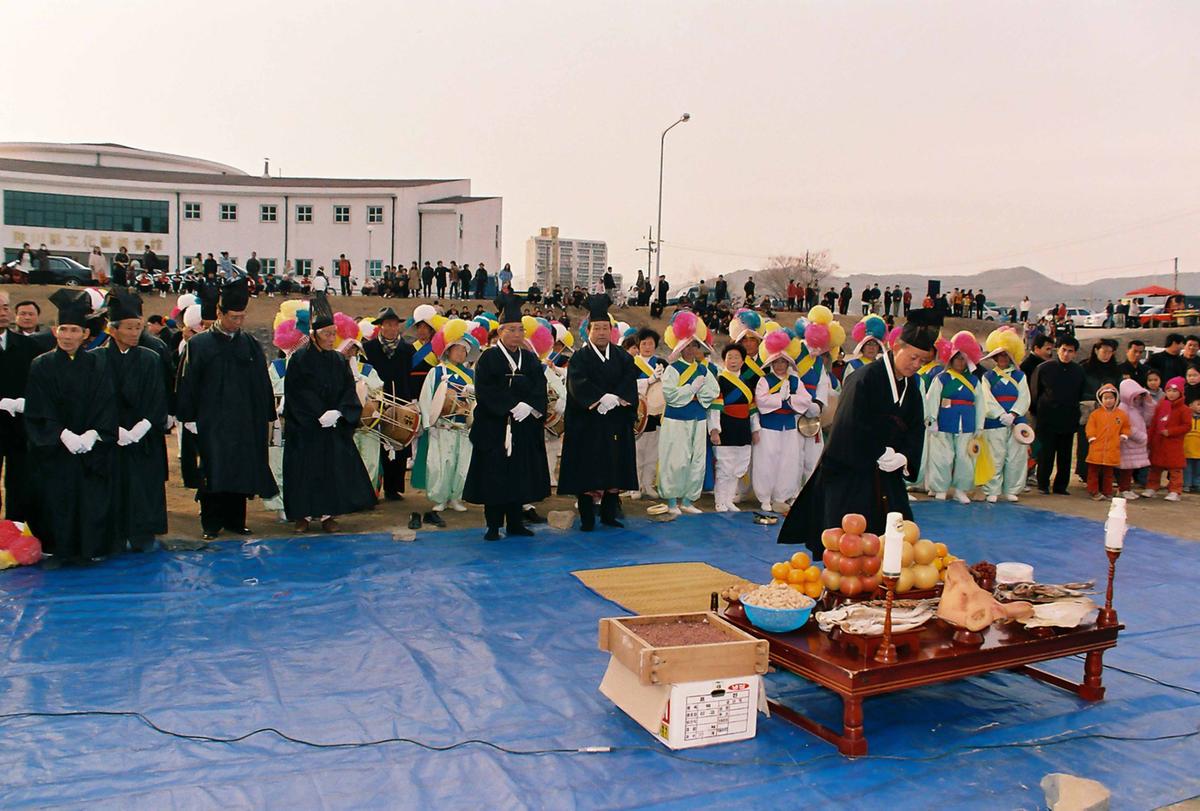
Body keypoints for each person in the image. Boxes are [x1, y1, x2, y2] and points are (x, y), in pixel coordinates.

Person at [778, 309, 941, 556]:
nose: (916, 365)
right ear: (897, 347)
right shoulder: (864, 378)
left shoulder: (912, 387)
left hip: (888, 471)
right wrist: (877, 451)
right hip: (851, 469)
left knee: (896, 539)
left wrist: (904, 457)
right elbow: (849, 424)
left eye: (923, 361)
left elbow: (916, 428)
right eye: (913, 357)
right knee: (848, 542)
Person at [176, 278, 277, 540]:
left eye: (242, 317)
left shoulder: (250, 344)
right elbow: (188, 382)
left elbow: (261, 383)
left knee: (240, 469)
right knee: (213, 470)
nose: (238, 322)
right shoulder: (199, 345)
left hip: (243, 420)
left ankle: (236, 520)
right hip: (211, 421)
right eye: (233, 317)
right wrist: (189, 417)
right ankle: (211, 523)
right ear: (219, 314)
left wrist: (266, 415)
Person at [23, 290, 118, 563]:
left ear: (85, 334)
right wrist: (62, 434)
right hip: (55, 448)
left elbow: (106, 402)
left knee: (90, 499)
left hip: (89, 448)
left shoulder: (98, 364)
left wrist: (93, 434)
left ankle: (92, 547)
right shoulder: (41, 365)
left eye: (73, 330)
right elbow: (38, 409)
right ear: (55, 331)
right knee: (57, 499)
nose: (67, 335)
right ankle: (58, 547)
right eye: (63, 329)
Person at [281, 294, 376, 531]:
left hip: (331, 427)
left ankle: (326, 515)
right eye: (327, 334)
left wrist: (339, 412)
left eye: (334, 333)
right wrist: (316, 415)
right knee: (303, 471)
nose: (332, 339)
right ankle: (301, 515)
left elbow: (348, 390)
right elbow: (296, 393)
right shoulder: (299, 360)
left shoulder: (338, 360)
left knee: (329, 471)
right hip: (305, 427)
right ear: (314, 336)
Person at [463, 293, 551, 540]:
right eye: (511, 329)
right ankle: (493, 525)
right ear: (500, 332)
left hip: (523, 427)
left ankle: (515, 523)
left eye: (520, 330)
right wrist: (511, 406)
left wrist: (530, 407)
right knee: (495, 477)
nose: (516, 334)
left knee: (518, 476)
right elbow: (485, 390)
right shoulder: (488, 358)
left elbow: (539, 387)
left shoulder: (531, 359)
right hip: (495, 428)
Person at [557, 295, 639, 529]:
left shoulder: (622, 356)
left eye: (606, 328)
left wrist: (616, 399)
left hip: (615, 420)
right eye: (597, 328)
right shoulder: (580, 357)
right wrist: (599, 398)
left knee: (614, 467)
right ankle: (586, 518)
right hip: (588, 423)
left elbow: (628, 379)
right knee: (588, 469)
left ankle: (609, 515)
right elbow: (576, 383)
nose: (602, 332)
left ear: (611, 331)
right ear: (589, 330)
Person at [99, 290, 169, 552]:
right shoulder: (98, 359)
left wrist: (142, 427)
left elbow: (157, 398)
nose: (134, 333)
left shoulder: (150, 358)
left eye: (138, 327)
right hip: (110, 435)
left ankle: (143, 534)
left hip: (144, 436)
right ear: (113, 330)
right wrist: (113, 428)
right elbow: (95, 401)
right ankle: (113, 535)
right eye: (129, 327)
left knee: (143, 486)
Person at [418, 319, 476, 514]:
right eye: (457, 349)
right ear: (448, 351)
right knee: (442, 463)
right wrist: (429, 424)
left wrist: (473, 393)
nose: (461, 353)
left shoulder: (471, 375)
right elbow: (426, 397)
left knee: (463, 464)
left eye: (464, 350)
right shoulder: (437, 372)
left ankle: (456, 497)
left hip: (463, 427)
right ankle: (440, 498)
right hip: (443, 425)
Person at [752, 333, 812, 512]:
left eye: (783, 362)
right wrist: (780, 398)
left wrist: (791, 398)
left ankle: (781, 496)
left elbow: (806, 399)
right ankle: (765, 496)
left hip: (789, 425)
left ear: (788, 364)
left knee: (788, 461)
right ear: (771, 364)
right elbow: (761, 401)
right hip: (769, 426)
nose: (780, 365)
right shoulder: (765, 380)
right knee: (766, 460)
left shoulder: (795, 380)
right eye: (776, 362)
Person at [361, 307, 415, 500]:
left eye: (394, 324)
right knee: (376, 446)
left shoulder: (408, 349)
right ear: (380, 326)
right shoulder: (368, 348)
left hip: (401, 401)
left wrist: (411, 401)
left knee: (398, 444)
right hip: (377, 403)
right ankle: (373, 488)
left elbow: (412, 378)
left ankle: (394, 488)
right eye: (388, 324)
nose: (392, 328)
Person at [924, 332, 984, 504]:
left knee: (965, 460)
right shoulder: (941, 379)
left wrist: (979, 426)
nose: (960, 361)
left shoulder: (974, 381)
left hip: (967, 424)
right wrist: (932, 420)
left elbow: (980, 404)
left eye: (963, 358)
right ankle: (940, 488)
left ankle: (960, 490)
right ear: (950, 358)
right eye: (957, 357)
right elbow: (932, 400)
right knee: (942, 458)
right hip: (944, 423)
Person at [979, 328, 1031, 503]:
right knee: (995, 455)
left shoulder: (1020, 376)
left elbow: (1025, 397)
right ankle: (992, 489)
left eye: (1005, 355)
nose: (1002, 358)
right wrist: (1000, 414)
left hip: (1017, 422)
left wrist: (1014, 414)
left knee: (1016, 457)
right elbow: (986, 398)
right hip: (995, 422)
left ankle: (1011, 489)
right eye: (999, 355)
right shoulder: (988, 376)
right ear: (994, 357)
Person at [0, 291, 39, 521]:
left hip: (19, 428)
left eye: (5, 307)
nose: (2, 313)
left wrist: (26, 400)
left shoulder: (27, 345)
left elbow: (38, 381)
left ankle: (15, 534)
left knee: (19, 482)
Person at [1029, 336, 1084, 495]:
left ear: (1075, 353)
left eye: (1070, 351)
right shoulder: (1043, 368)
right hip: (1046, 418)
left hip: (1068, 419)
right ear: (1057, 350)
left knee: (1065, 455)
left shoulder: (1079, 371)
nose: (1066, 354)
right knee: (1045, 454)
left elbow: (1079, 394)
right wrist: (1037, 414)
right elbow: (1035, 393)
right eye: (1063, 350)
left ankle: (1061, 486)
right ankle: (1043, 484)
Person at [709, 343, 759, 512]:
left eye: (736, 357)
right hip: (726, 426)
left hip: (743, 427)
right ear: (724, 360)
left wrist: (755, 430)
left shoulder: (746, 382)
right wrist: (714, 430)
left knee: (739, 465)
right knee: (724, 466)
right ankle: (720, 500)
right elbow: (715, 408)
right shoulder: (720, 380)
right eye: (729, 357)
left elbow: (752, 408)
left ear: (743, 361)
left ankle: (730, 499)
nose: (733, 360)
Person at [630, 327, 664, 500]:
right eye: (644, 343)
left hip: (656, 415)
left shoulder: (661, 363)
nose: (647, 347)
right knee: (636, 452)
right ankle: (634, 486)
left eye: (651, 343)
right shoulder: (631, 363)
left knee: (652, 452)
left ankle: (648, 484)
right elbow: (627, 385)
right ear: (638, 345)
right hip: (638, 414)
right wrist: (649, 380)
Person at [1144, 377, 1189, 501]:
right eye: (1169, 390)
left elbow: (1186, 426)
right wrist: (1149, 440)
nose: (1171, 394)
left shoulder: (1184, 409)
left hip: (1174, 443)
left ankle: (1175, 490)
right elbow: (1153, 424)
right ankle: (1152, 487)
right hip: (1158, 443)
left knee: (1175, 469)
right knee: (1155, 467)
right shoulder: (1160, 406)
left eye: (1175, 391)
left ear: (1180, 392)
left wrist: (1170, 432)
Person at [1084, 383, 1129, 501]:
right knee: (1093, 472)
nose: (1108, 401)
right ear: (1101, 399)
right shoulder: (1095, 414)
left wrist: (1124, 435)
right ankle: (1093, 491)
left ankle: (1107, 491)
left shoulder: (1121, 414)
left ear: (1116, 399)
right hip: (1096, 448)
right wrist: (1091, 437)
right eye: (1105, 398)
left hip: (1112, 449)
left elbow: (1126, 427)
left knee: (1108, 474)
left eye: (1111, 398)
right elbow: (1090, 427)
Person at [1116, 378, 1154, 499]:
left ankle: (1127, 488)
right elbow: (1126, 426)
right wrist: (1140, 436)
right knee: (1125, 469)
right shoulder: (1123, 408)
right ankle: (1123, 489)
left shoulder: (1138, 407)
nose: (1138, 398)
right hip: (1128, 443)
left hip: (1136, 443)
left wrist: (1148, 402)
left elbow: (1148, 418)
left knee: (1130, 468)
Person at [1184, 396, 1200, 494]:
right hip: (1187, 449)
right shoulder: (1186, 418)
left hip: (1199, 450)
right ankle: (1187, 484)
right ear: (1190, 406)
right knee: (1187, 469)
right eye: (1198, 404)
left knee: (1198, 470)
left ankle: (1197, 484)